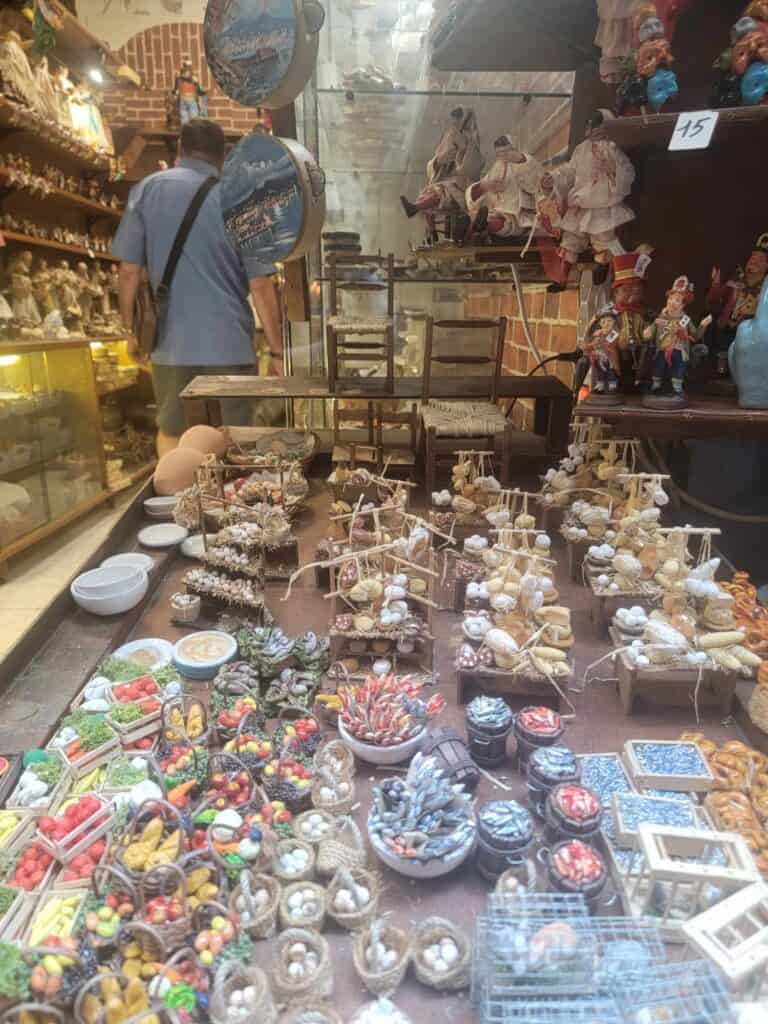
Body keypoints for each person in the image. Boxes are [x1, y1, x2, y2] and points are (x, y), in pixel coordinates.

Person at [113, 118, 283, 456]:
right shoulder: (241, 199)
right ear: (223, 157)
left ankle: (181, 506)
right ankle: (232, 506)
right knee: (235, 441)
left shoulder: (147, 189)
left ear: (180, 149)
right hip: (230, 347)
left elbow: (129, 272)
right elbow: (261, 284)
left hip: (170, 346)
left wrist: (130, 332)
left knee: (175, 437)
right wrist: (277, 352)